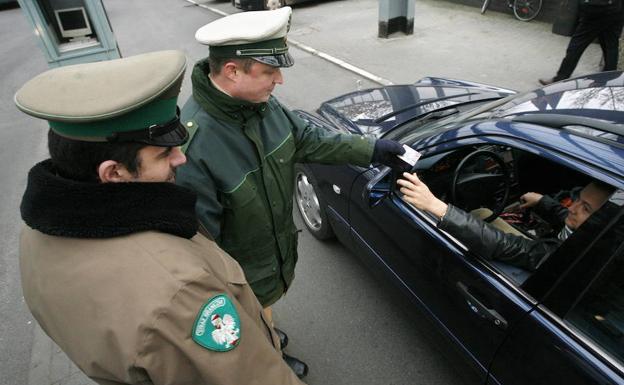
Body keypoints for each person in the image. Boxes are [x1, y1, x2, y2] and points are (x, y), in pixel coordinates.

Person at [16, 50, 304, 385]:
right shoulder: (181, 295)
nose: (181, 159)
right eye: (165, 153)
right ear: (114, 173)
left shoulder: (35, 234)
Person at [175, 6, 405, 374]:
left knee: (265, 312)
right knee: (251, 324)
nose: (279, 80)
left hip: (274, 261)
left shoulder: (260, 105)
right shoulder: (195, 149)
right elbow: (204, 256)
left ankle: (265, 331)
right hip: (242, 279)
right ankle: (269, 358)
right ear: (233, 72)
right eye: (269, 71)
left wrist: (371, 149)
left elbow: (310, 140)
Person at [397, 172, 613, 271]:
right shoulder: (601, 232)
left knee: (481, 213)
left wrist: (437, 207)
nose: (572, 207)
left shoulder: (577, 256)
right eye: (578, 199)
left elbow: (505, 245)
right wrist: (542, 202)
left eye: (586, 208)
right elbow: (567, 218)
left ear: (605, 221)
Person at [539, 0, 624, 85]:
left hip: (596, 9)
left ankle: (561, 77)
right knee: (610, 46)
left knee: (577, 44)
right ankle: (609, 79)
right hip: (616, 9)